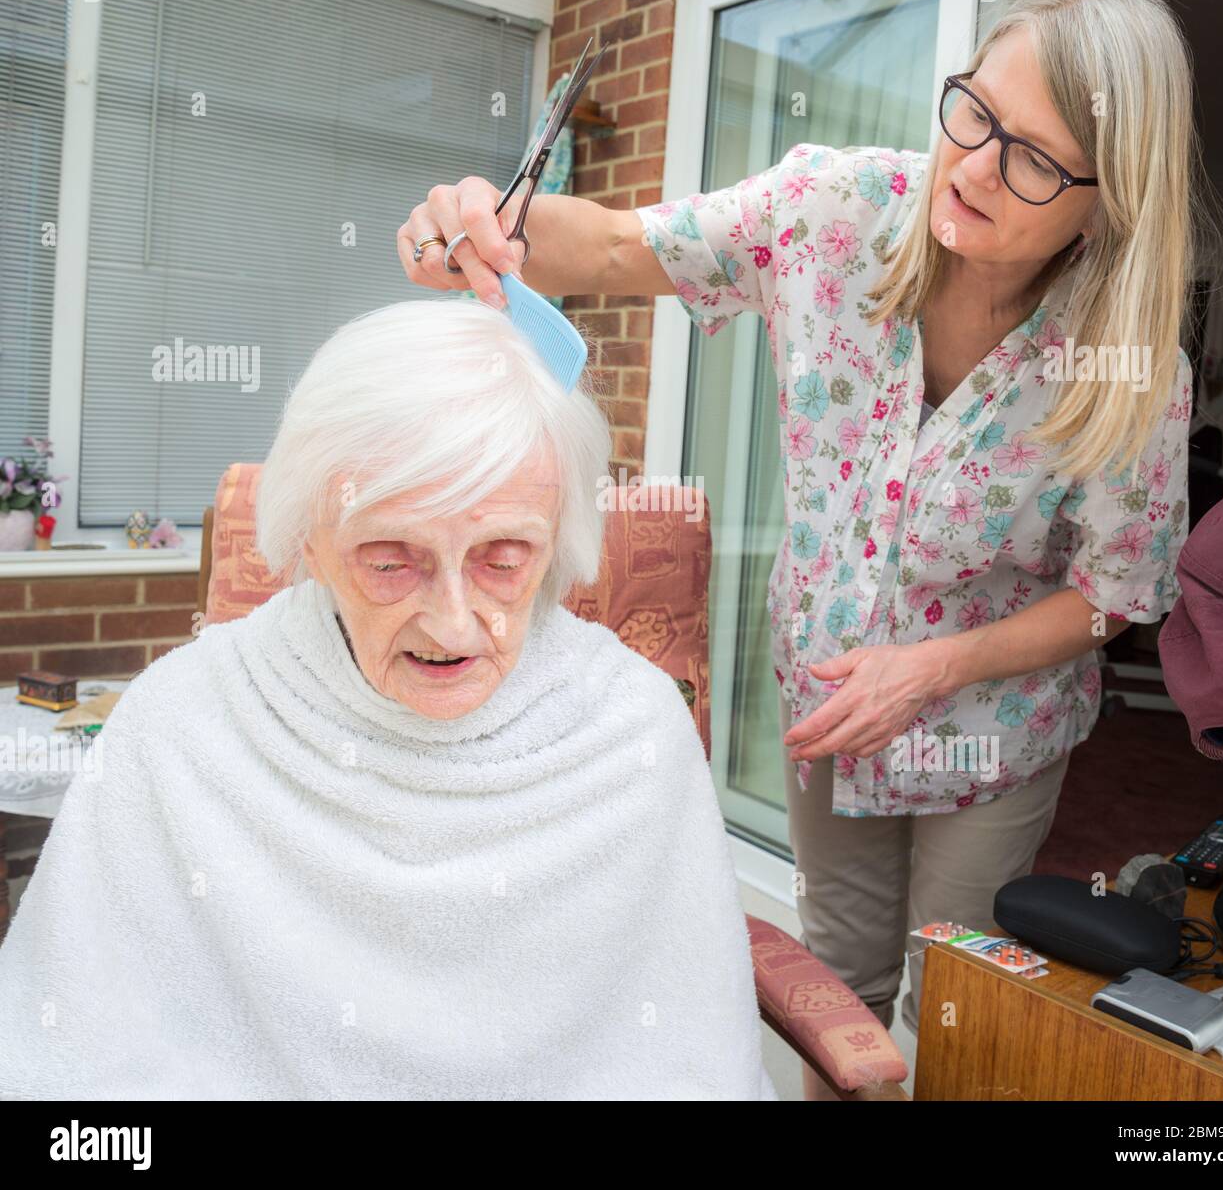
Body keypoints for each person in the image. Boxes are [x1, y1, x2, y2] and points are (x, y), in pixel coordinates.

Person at [398, 0, 1202, 1100]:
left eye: (1028, 155)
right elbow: (622, 249)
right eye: (972, 111)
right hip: (827, 695)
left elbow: (1119, 588)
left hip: (991, 732)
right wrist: (492, 223)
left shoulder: (1130, 371)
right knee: (838, 980)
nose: (968, 167)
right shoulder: (834, 209)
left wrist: (935, 667)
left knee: (950, 999)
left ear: (1110, 195)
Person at [0, 299, 777, 1101]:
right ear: (309, 540)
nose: (451, 621)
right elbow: (73, 1061)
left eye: (503, 559)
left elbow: (689, 1056)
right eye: (388, 560)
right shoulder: (179, 718)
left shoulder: (633, 728)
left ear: (558, 542)